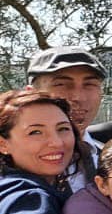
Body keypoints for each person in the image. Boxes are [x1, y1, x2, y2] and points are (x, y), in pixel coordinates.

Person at [25, 46, 106, 192]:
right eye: (61, 84)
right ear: (32, 94)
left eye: (89, 85)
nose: (78, 97)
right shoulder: (12, 164)